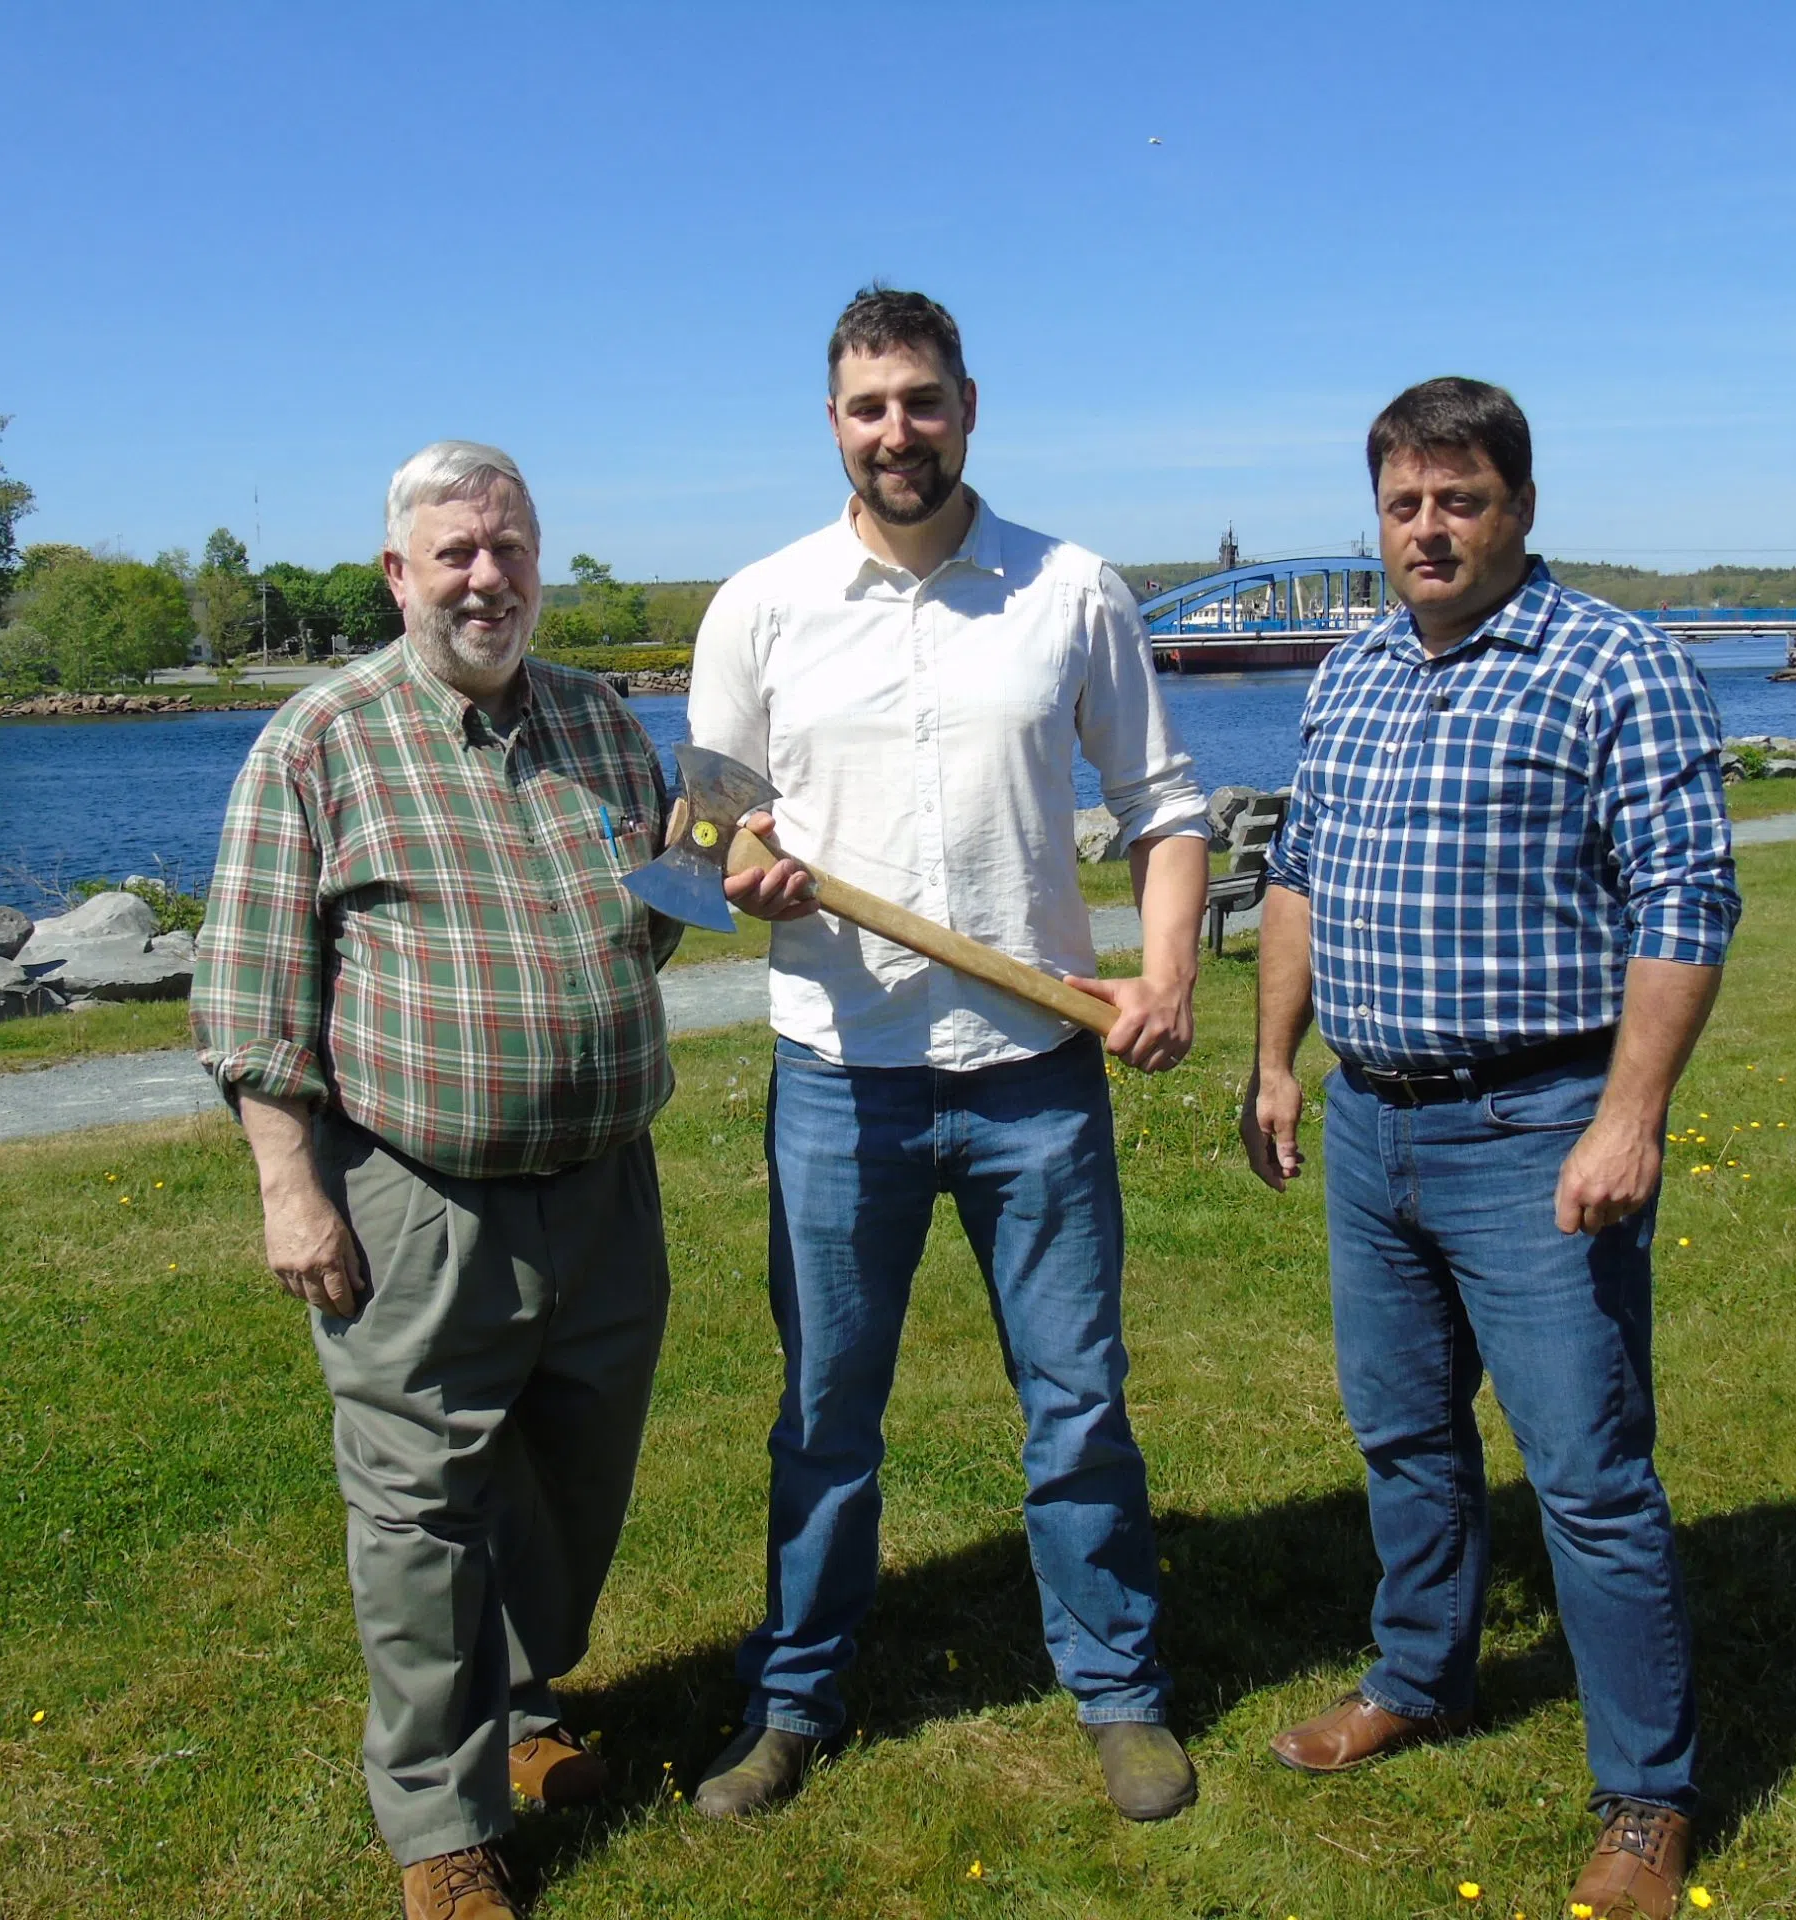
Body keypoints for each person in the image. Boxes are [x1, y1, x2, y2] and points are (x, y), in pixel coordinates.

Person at [686, 285, 1211, 1823]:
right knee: (827, 1412)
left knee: (1079, 1402)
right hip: (839, 1078)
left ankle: (1116, 1689)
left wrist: (1162, 971)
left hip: (1036, 1066)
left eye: (920, 400)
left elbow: (1167, 807)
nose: (896, 432)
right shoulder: (760, 606)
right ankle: (794, 1701)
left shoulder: (1072, 590)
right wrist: (743, 863)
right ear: (832, 424)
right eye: (868, 407)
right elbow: (708, 828)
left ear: (969, 406)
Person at [1239, 378, 1739, 1920]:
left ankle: (1646, 1795)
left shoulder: (1613, 665)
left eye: (1460, 500)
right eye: (1404, 504)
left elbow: (1688, 899)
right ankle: (1420, 1675)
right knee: (1404, 1437)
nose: (1430, 529)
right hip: (1373, 1121)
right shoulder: (1355, 668)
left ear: (1518, 506)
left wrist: (1629, 1116)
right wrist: (1274, 1062)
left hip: (1538, 1127)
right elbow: (1303, 874)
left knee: (1587, 1477)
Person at [192, 440, 685, 1920]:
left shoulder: (603, 723)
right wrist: (294, 1188)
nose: (489, 576)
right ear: (398, 574)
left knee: (570, 1481)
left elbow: (649, 922)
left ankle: (524, 1718)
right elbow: (251, 995)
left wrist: (728, 870)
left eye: (512, 546)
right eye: (456, 552)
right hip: (420, 1196)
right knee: (423, 1510)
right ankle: (438, 1830)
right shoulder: (318, 743)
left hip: (607, 1191)